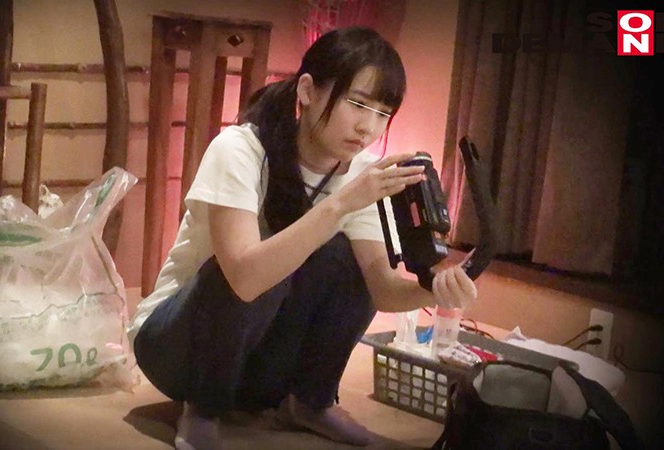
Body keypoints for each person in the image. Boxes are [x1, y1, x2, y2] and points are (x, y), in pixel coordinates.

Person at [128, 26, 478, 450]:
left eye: (382, 113)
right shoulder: (240, 149)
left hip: (256, 363)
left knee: (345, 258)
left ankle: (310, 402)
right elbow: (243, 278)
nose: (368, 126)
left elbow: (381, 289)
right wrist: (340, 204)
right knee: (262, 265)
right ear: (308, 91)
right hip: (174, 351)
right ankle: (202, 408)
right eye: (357, 104)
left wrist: (436, 288)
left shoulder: (360, 172)